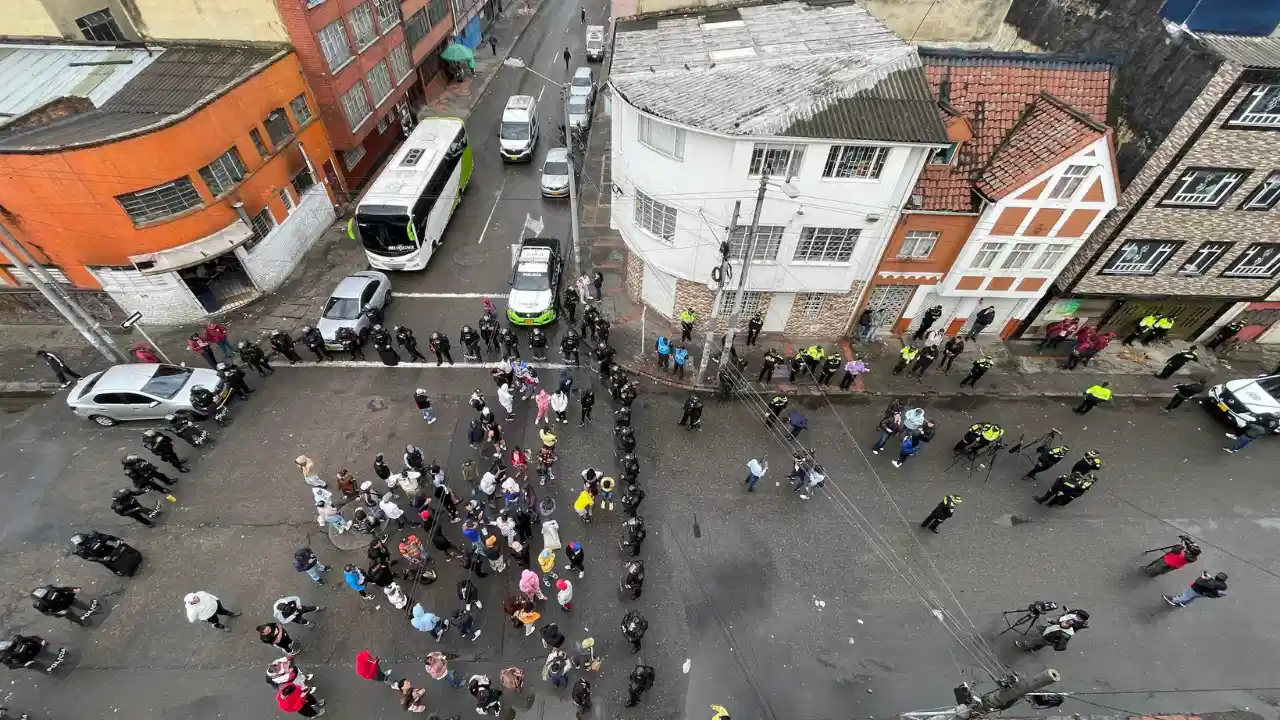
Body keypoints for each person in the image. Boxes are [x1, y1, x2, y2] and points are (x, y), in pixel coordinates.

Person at [71, 531, 141, 576]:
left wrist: (117, 539)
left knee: (119, 552)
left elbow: (108, 537)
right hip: (101, 556)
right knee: (108, 564)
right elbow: (88, 558)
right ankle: (117, 571)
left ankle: (132, 556)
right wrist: (100, 559)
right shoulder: (80, 550)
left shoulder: (93, 536)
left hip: (108, 548)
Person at [1015, 609, 1089, 651]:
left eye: (1065, 623)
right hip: (1051, 631)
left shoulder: (1065, 635)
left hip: (1048, 638)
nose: (1063, 623)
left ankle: (1024, 645)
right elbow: (1059, 623)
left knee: (1037, 641)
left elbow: (1062, 646)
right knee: (1046, 633)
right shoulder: (1066, 625)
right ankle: (1035, 649)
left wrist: (1055, 644)